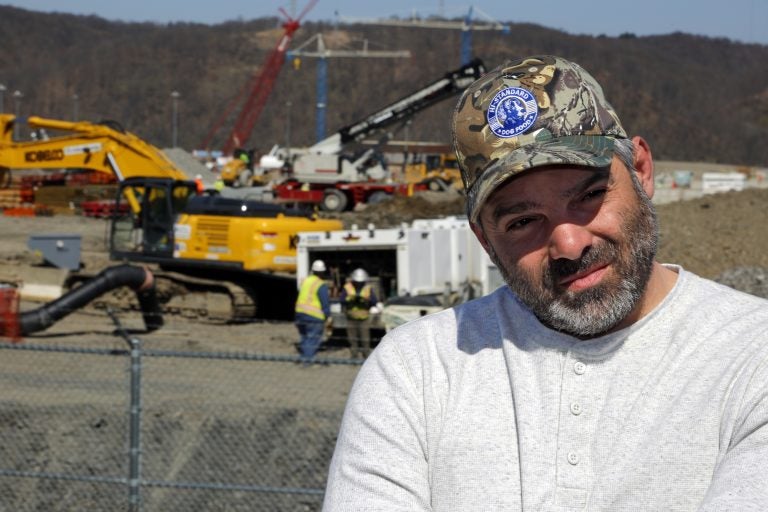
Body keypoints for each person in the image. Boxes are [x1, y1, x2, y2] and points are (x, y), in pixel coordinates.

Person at [323, 55, 768, 510]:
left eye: (591, 196)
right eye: (522, 222)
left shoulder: (753, 356)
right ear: (484, 240)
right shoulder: (415, 371)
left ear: (641, 168)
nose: (569, 243)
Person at [294, 259, 331, 364]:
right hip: (314, 316)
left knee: (304, 337)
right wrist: (327, 315)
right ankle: (307, 361)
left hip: (300, 314)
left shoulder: (305, 281)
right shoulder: (321, 284)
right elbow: (325, 302)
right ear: (323, 272)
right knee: (312, 339)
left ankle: (303, 357)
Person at [339, 268, 379, 358]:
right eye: (357, 282)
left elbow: (374, 301)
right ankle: (354, 355)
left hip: (363, 318)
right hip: (351, 318)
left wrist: (366, 300)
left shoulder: (367, 288)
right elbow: (341, 300)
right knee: (352, 339)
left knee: (365, 339)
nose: (359, 283)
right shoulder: (347, 287)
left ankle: (366, 355)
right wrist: (350, 299)